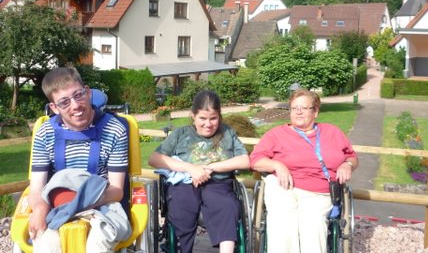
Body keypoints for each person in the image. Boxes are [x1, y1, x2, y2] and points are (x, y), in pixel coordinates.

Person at [28, 67, 131, 253]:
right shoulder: (45, 133)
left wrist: (79, 203)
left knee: (97, 243)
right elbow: (36, 189)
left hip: (102, 204)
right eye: (64, 102)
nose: (75, 106)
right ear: (54, 108)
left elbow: (116, 191)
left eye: (78, 95)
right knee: (47, 244)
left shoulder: (115, 129)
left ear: (88, 91)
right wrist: (40, 207)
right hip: (56, 206)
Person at [250, 88, 358, 253]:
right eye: (294, 108)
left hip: (318, 193)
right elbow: (255, 160)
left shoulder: (332, 132)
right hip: (283, 188)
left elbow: (352, 157)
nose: (298, 112)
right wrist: (277, 165)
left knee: (313, 223)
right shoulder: (276, 134)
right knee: (282, 219)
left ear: (315, 112)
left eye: (304, 108)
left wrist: (347, 165)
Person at [148, 90, 250, 253]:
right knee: (182, 204)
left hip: (218, 184)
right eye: (202, 118)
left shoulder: (227, 132)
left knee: (226, 205)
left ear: (219, 116)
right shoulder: (181, 134)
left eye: (213, 118)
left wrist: (210, 168)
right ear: (193, 116)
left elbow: (245, 160)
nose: (208, 124)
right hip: (185, 183)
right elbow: (154, 158)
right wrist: (191, 168)